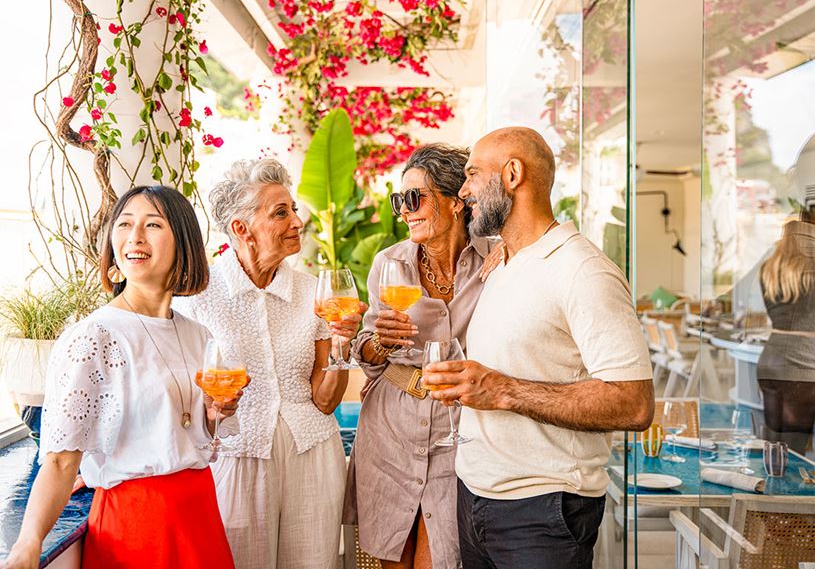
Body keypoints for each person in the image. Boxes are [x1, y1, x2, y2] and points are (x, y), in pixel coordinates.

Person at [423, 127, 655, 569]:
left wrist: (504, 391)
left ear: (512, 174)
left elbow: (634, 403)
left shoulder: (583, 271)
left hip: (543, 511)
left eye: (472, 174)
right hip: (474, 496)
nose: (463, 190)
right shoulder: (505, 261)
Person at [2, 186, 244, 569]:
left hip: (200, 514)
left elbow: (191, 432)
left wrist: (214, 414)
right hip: (137, 525)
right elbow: (62, 461)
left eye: (153, 224)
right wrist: (28, 543)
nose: (135, 236)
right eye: (125, 224)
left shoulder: (199, 335)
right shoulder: (93, 337)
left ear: (184, 242)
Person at [173, 159, 363, 569]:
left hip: (312, 452)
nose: (297, 220)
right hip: (234, 458)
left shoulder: (315, 292)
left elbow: (326, 401)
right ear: (241, 229)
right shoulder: (196, 299)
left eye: (293, 208)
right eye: (281, 212)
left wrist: (341, 343)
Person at [344, 143, 502, 569]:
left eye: (415, 198)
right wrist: (379, 342)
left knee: (445, 557)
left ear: (456, 203)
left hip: (459, 429)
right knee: (391, 554)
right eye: (400, 200)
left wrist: (509, 246)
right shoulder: (388, 262)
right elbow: (368, 354)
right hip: (390, 429)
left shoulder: (498, 260)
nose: (404, 210)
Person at [757, 216, 815, 453]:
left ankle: (773, 488)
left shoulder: (768, 269)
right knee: (796, 448)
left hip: (770, 361)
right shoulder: (811, 272)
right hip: (803, 364)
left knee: (774, 442)